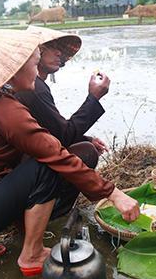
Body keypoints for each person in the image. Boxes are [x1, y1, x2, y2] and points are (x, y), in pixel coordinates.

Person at [0, 29, 139, 277]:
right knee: (48, 164)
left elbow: (36, 138)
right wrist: (114, 194)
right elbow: (54, 152)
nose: (36, 72)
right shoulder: (4, 109)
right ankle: (31, 254)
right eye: (33, 64)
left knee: (46, 155)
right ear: (14, 69)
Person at [16, 26, 110, 218]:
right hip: (21, 171)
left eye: (60, 47)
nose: (59, 53)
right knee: (86, 152)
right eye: (51, 47)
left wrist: (85, 136)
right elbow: (62, 135)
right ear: (36, 52)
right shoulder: (34, 88)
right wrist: (93, 98)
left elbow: (49, 129)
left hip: (19, 171)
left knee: (84, 144)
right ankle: (54, 213)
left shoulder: (32, 84)